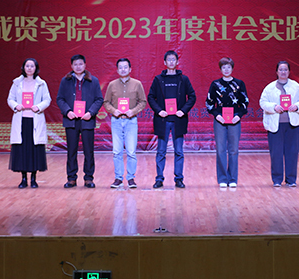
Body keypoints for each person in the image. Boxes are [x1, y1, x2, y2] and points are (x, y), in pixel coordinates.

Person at [147, 50, 196, 188]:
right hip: (162, 120)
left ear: (177, 62)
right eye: (169, 59)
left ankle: (179, 178)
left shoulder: (183, 79)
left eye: (173, 59)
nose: (171, 62)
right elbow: (150, 97)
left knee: (179, 151)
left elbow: (192, 96)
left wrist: (183, 110)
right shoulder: (158, 79)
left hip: (178, 120)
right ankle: (159, 179)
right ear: (164, 62)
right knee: (161, 151)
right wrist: (159, 111)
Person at [56, 54, 104, 189]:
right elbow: (60, 99)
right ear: (71, 66)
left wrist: (91, 113)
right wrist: (67, 111)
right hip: (71, 120)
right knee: (71, 150)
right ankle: (71, 178)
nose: (78, 67)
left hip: (87, 120)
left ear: (85, 65)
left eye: (80, 64)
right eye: (75, 64)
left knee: (89, 151)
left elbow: (99, 99)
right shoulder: (65, 81)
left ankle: (89, 178)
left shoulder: (93, 81)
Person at [259, 61, 299, 187]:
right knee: (276, 153)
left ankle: (291, 179)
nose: (283, 72)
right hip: (276, 125)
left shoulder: (295, 86)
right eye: (281, 69)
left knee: (292, 152)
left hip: (292, 125)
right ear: (277, 72)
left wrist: (296, 106)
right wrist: (274, 107)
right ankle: (277, 179)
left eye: (285, 69)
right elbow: (263, 102)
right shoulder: (270, 87)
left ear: (289, 71)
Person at [7, 58, 51, 189]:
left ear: (36, 68)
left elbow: (47, 99)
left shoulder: (41, 83)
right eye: (27, 66)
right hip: (21, 120)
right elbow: (10, 98)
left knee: (34, 150)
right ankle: (23, 178)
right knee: (22, 150)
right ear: (23, 68)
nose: (29, 68)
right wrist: (16, 105)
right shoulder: (17, 83)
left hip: (35, 120)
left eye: (32, 66)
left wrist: (39, 106)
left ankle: (33, 179)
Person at [103, 58, 147, 189]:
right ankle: (118, 178)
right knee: (117, 151)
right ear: (117, 70)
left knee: (131, 151)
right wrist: (113, 110)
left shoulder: (137, 84)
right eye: (120, 67)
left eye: (125, 67)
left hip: (131, 121)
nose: (123, 69)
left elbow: (143, 102)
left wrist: (133, 111)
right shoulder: (112, 85)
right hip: (116, 120)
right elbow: (106, 102)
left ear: (130, 69)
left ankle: (131, 178)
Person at [205, 57, 249, 188]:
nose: (226, 69)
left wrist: (239, 116)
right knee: (221, 150)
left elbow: (245, 102)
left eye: (228, 67)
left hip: (234, 120)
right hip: (220, 120)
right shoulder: (215, 84)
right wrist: (217, 115)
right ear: (220, 69)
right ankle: (223, 178)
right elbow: (209, 103)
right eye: (223, 67)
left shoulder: (239, 83)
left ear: (232, 68)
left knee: (233, 150)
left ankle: (233, 178)